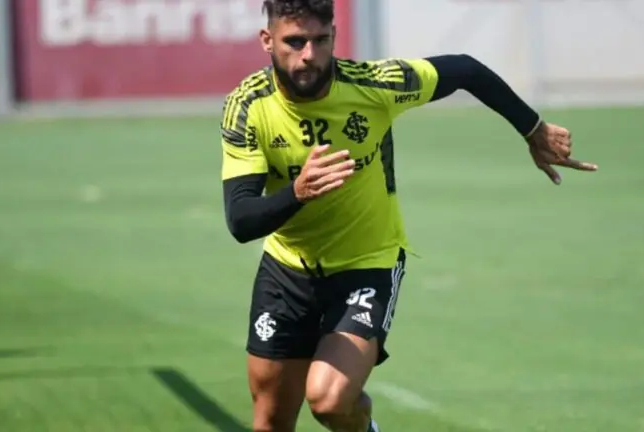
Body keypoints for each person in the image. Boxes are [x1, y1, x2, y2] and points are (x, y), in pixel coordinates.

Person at [220, 1, 598, 431]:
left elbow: (466, 70)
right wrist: (298, 192)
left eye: (320, 40)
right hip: (287, 270)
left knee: (328, 400)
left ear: (334, 37)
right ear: (267, 41)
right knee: (270, 421)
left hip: (366, 264)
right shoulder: (248, 106)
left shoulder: (375, 85)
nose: (309, 54)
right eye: (294, 42)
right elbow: (241, 219)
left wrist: (533, 129)